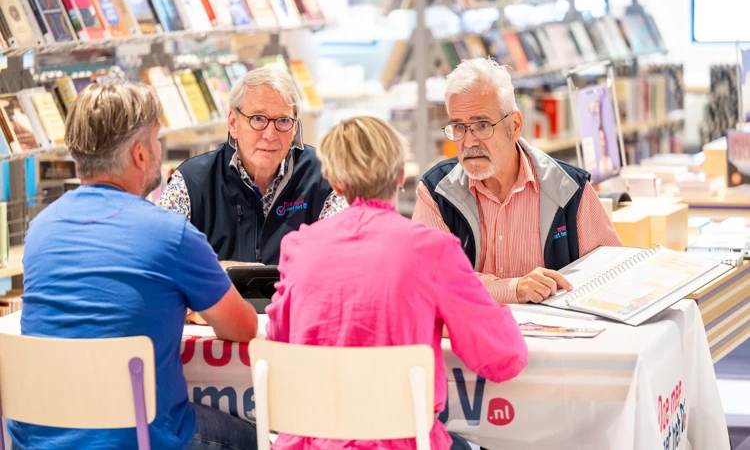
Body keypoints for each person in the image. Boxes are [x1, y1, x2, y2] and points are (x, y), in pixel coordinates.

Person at [9, 83, 260, 450]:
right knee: (261, 436)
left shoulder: (40, 230)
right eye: (157, 141)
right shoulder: (171, 234)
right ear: (140, 153)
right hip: (141, 438)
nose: (159, 151)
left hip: (36, 438)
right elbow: (245, 327)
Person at [266, 116, 528, 450]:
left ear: (334, 182)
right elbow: (503, 357)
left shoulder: (298, 248)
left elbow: (280, 344)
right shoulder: (431, 250)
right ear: (402, 174)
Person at [413, 58, 621, 305]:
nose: (468, 142)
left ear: (515, 125)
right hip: (469, 340)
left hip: (555, 340)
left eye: (482, 125)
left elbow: (614, 274)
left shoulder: (568, 189)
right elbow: (431, 280)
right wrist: (514, 289)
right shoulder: (436, 193)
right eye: (459, 127)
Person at [159, 65, 346, 266]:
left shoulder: (324, 175)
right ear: (232, 123)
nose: (270, 135)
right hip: (218, 296)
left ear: (294, 129)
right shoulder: (190, 181)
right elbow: (159, 255)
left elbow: (343, 254)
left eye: (283, 121)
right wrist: (217, 271)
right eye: (258, 119)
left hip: (297, 296)